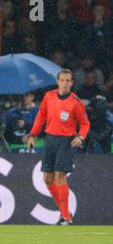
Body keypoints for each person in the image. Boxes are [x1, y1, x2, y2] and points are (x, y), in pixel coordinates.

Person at [27, 69, 90, 225]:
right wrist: (33, 135)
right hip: (50, 140)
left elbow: (84, 123)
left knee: (59, 175)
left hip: (66, 141)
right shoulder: (49, 97)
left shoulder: (76, 102)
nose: (65, 83)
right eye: (62, 80)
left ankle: (66, 218)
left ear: (72, 83)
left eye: (68, 80)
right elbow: (41, 116)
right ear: (58, 81)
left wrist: (80, 137)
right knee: (47, 179)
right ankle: (64, 212)